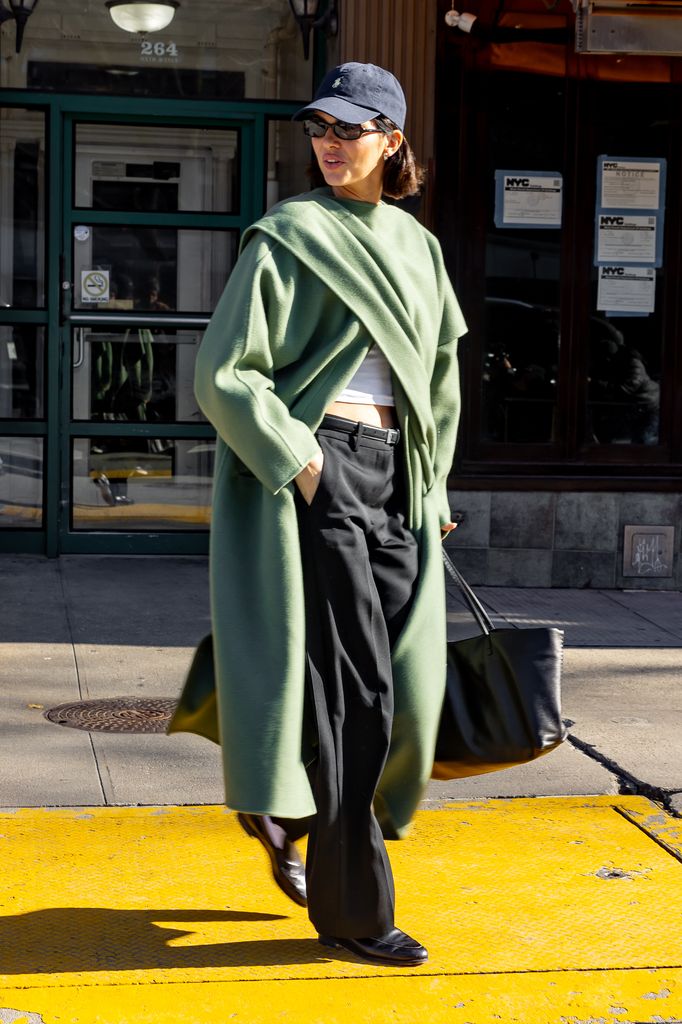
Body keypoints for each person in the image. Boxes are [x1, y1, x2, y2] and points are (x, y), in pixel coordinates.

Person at [168, 62, 466, 967]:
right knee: (358, 698)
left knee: (405, 696)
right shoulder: (288, 236)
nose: (330, 144)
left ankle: (286, 803)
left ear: (393, 139)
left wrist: (436, 484)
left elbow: (439, 379)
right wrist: (302, 465)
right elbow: (226, 372)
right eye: (319, 129)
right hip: (323, 468)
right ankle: (354, 913)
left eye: (349, 128)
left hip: (400, 480)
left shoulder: (417, 246)